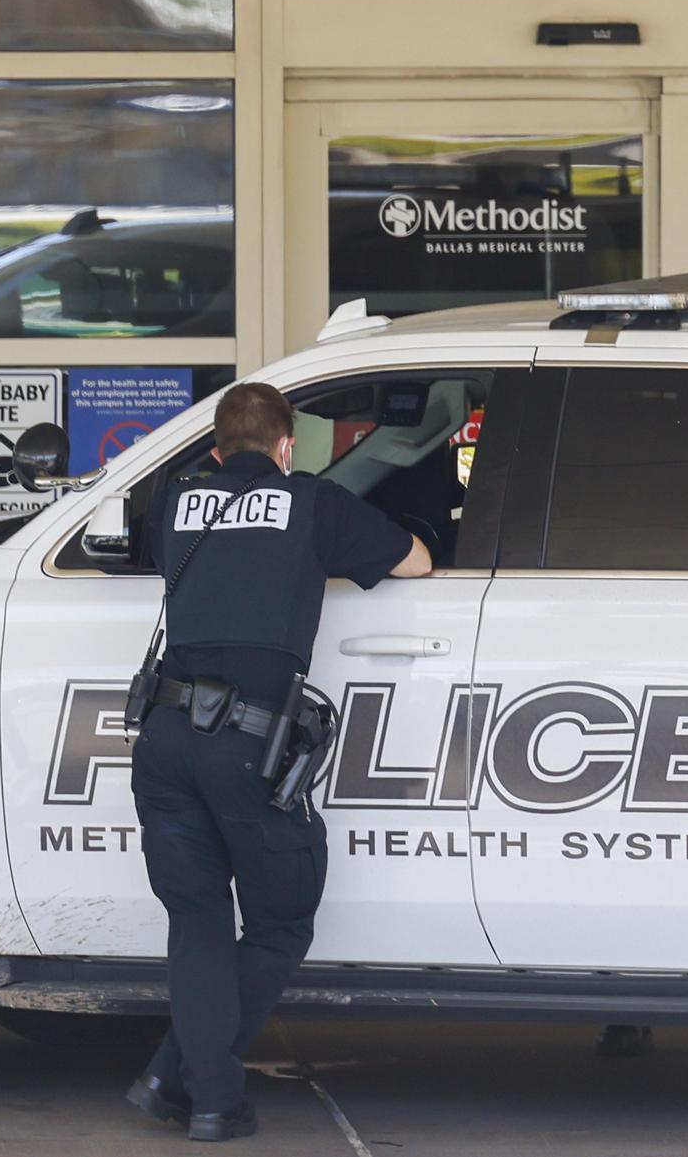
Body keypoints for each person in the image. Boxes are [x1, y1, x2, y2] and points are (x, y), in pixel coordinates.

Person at [125, 382, 432, 1142]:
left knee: (196, 921)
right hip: (248, 745)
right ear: (287, 446)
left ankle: (190, 1087)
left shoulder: (175, 503)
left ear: (217, 449)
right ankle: (199, 1087)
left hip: (164, 741)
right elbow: (418, 561)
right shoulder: (312, 503)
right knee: (283, 917)